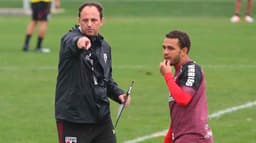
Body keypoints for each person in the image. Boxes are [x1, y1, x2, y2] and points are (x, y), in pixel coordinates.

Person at [55, 2, 130, 143]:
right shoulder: (69, 39)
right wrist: (80, 42)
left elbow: (105, 80)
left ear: (101, 21)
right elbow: (71, 42)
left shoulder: (104, 47)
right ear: (78, 20)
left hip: (101, 120)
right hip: (74, 120)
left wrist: (119, 94)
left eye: (94, 20)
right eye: (85, 20)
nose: (89, 24)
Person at [159, 30, 213, 143]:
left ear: (183, 51)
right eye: (164, 48)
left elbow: (183, 99)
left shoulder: (192, 69)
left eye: (170, 48)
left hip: (194, 137)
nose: (165, 52)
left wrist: (167, 75)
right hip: (183, 137)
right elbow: (177, 116)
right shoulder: (179, 73)